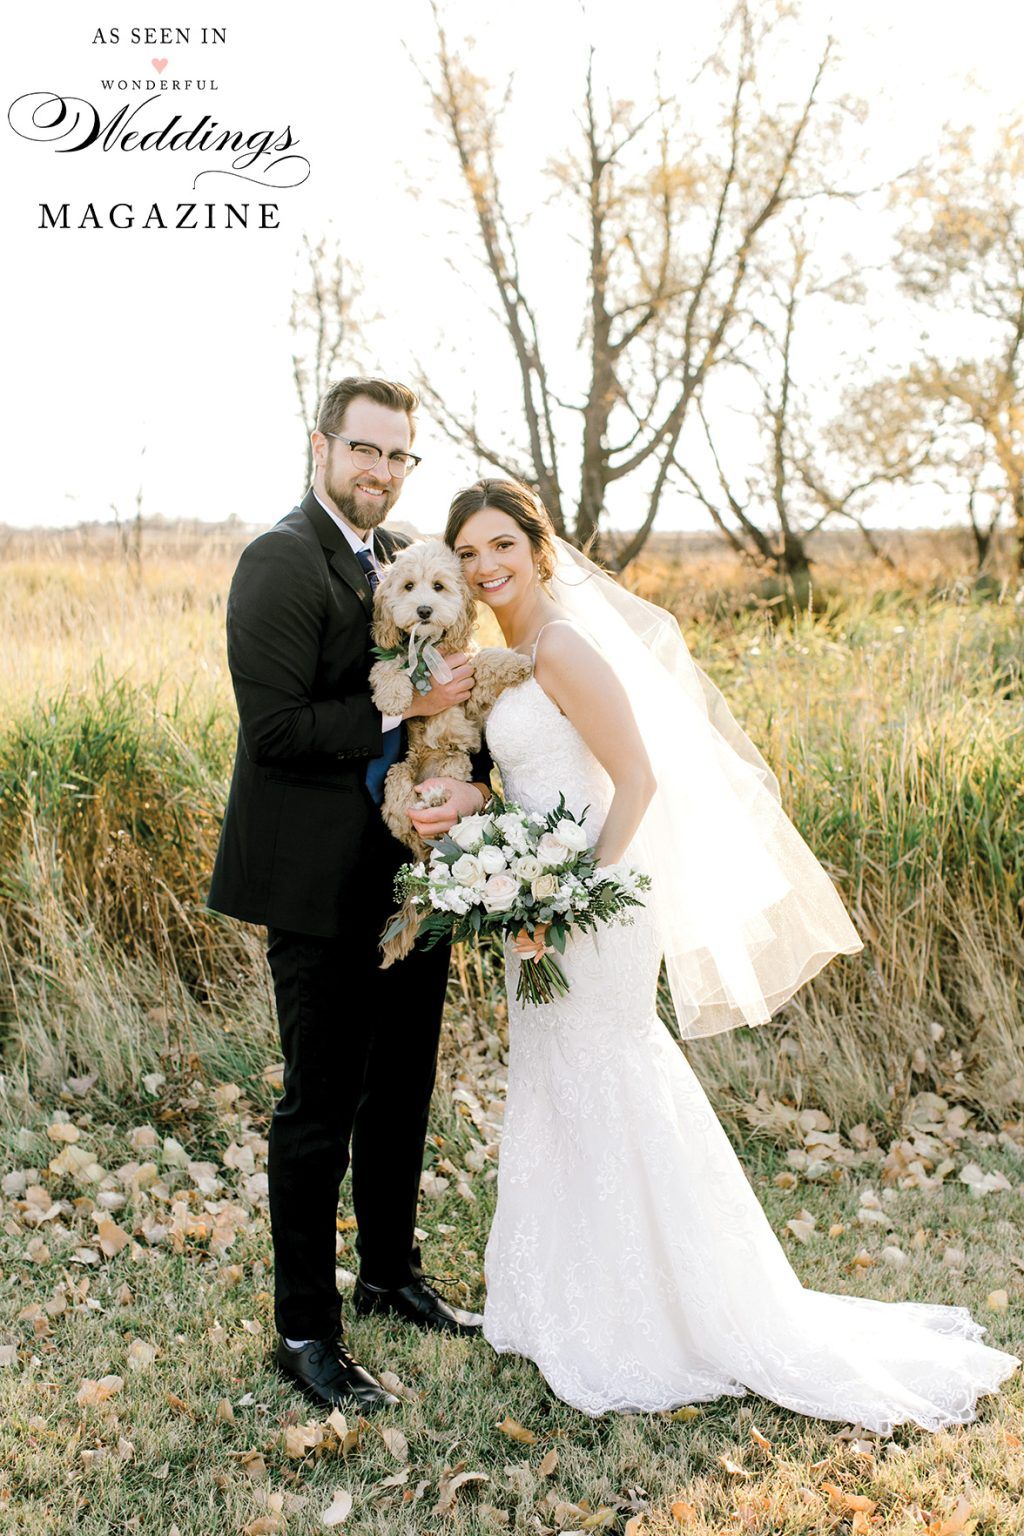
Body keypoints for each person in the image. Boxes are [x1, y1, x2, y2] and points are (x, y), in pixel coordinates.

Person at [443, 476, 1021, 1433]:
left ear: (538, 551)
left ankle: (662, 1315)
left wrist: (569, 894)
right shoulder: (511, 655)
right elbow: (551, 784)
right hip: (537, 903)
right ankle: (563, 1301)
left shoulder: (565, 647)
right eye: (465, 554)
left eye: (500, 544)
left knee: (612, 1077)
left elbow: (635, 779)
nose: (483, 566)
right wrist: (498, 856)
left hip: (592, 905)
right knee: (555, 1084)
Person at [207, 377, 489, 1414]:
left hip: (411, 876)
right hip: (317, 886)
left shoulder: (401, 552)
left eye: (396, 454)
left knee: (403, 1088)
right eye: (363, 449)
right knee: (318, 1108)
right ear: (320, 445)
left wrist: (465, 780)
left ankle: (389, 1275)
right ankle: (304, 1331)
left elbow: (459, 702)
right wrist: (407, 700)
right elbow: (277, 730)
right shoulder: (280, 559)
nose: (378, 470)